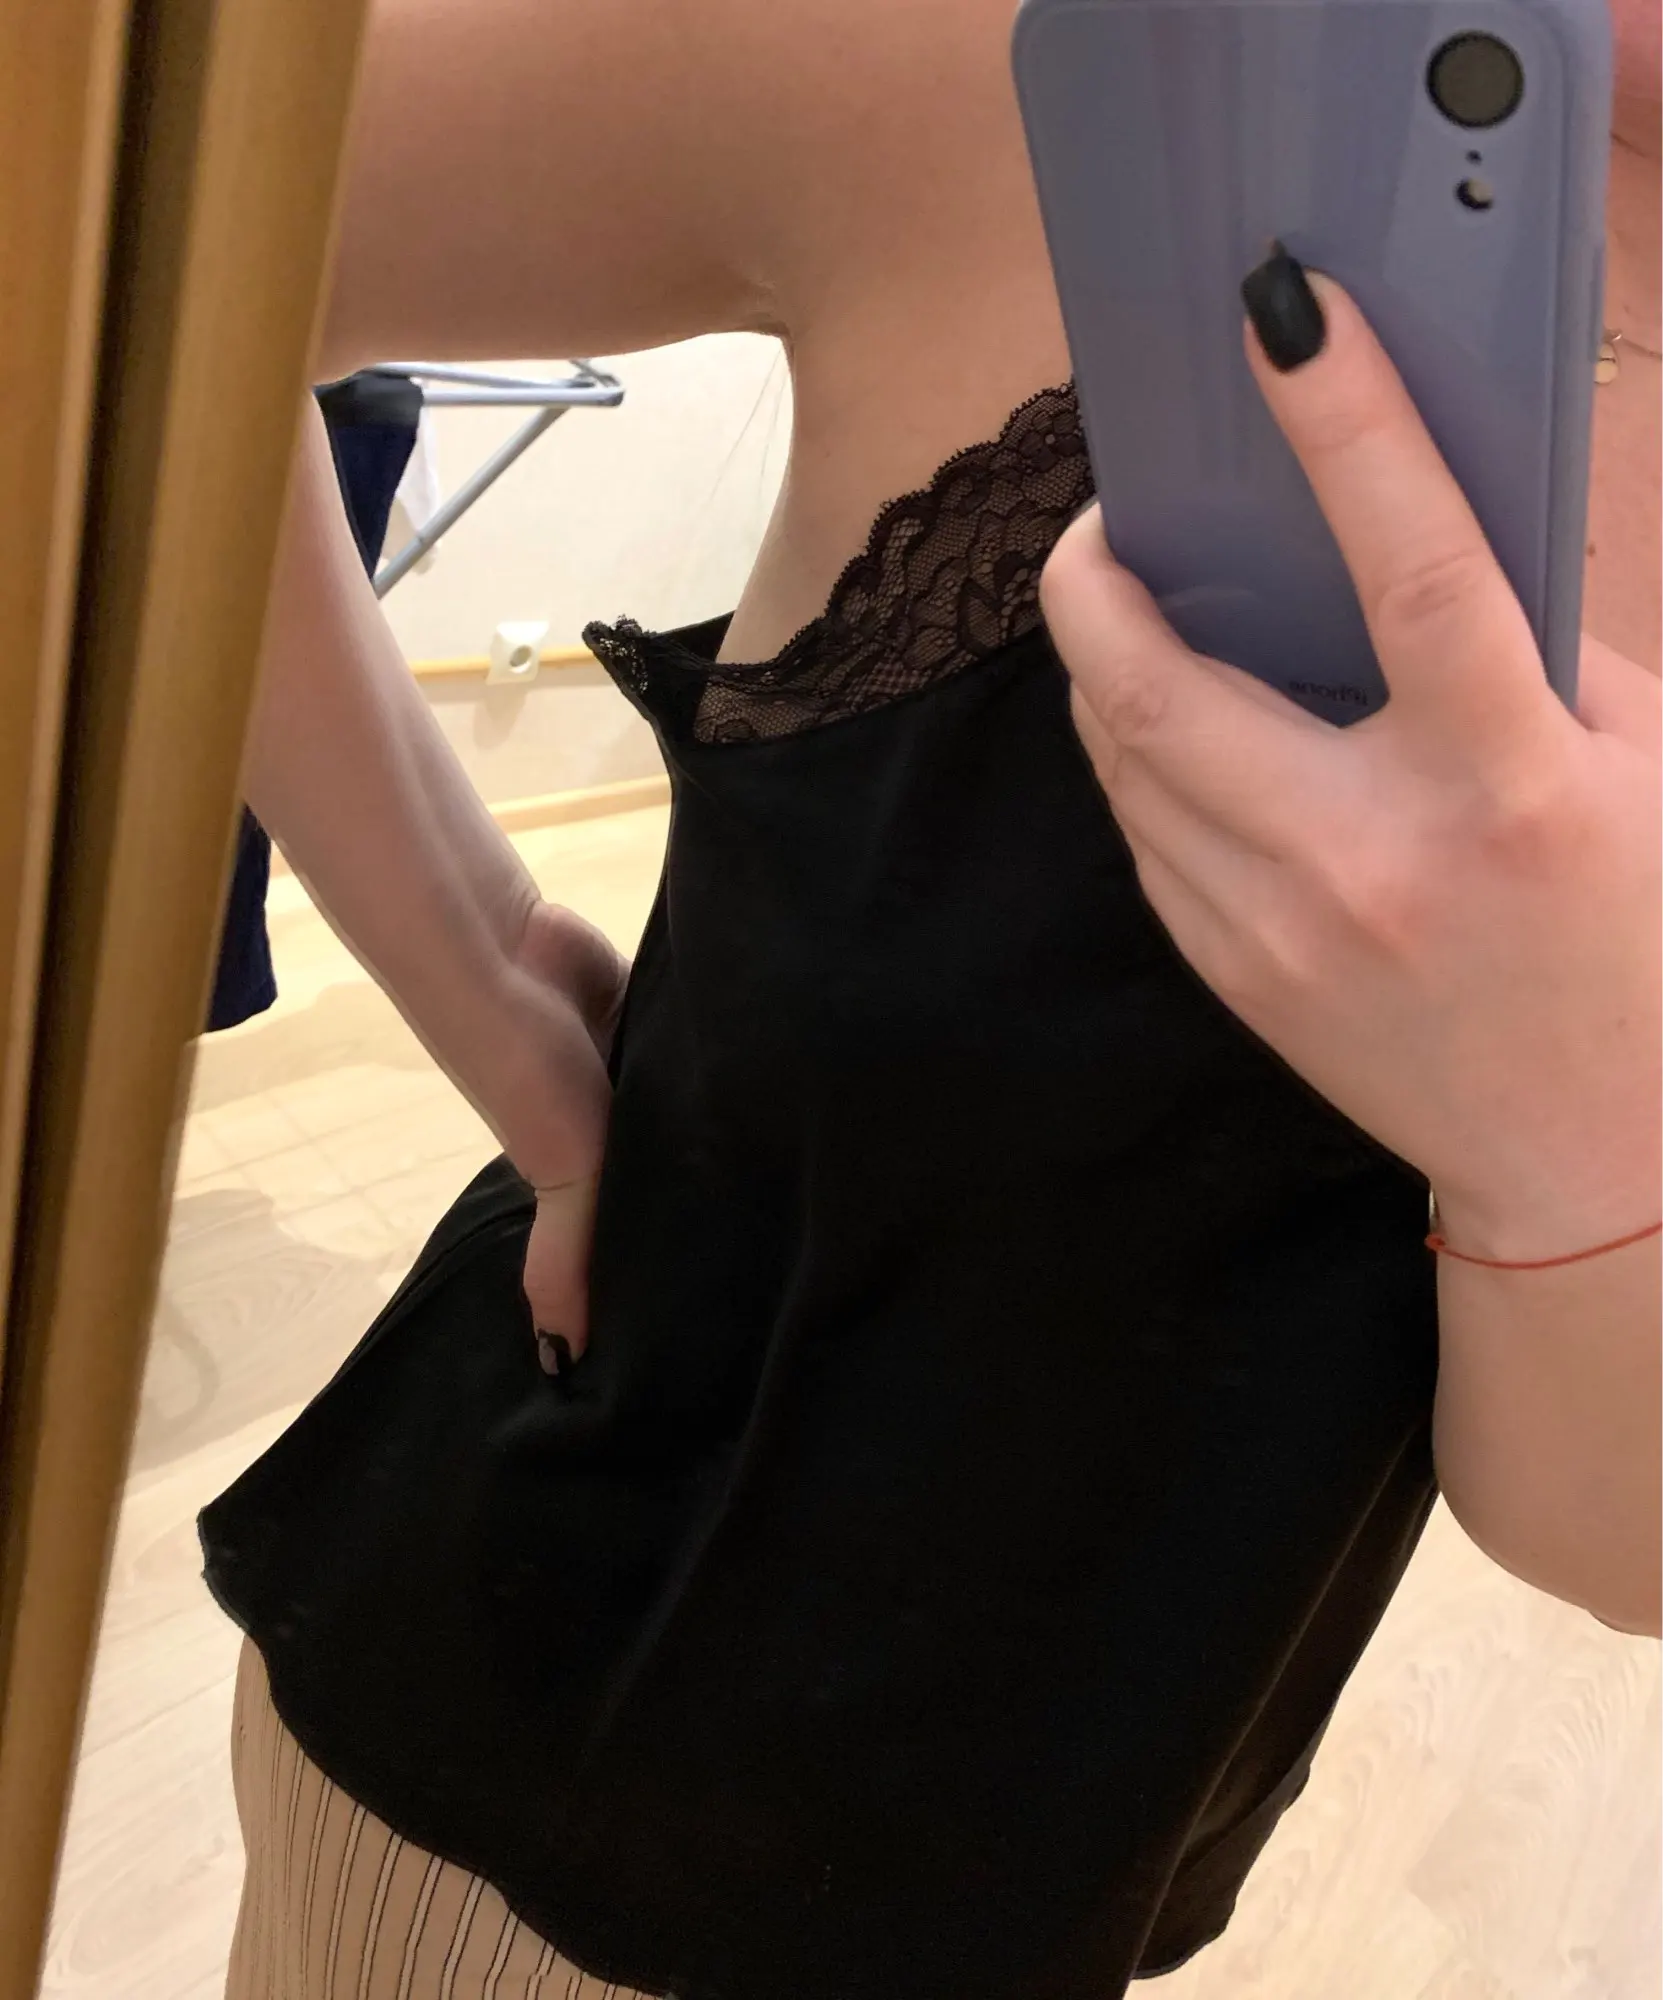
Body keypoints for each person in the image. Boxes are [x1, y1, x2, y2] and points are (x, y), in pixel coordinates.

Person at [201, 2, 1660, 1996]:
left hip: (1063, 1852)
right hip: (547, 1779)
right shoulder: (1008, 59)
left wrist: (1575, 1130)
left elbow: (1605, 1545)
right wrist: (495, 969)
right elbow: (144, 229)